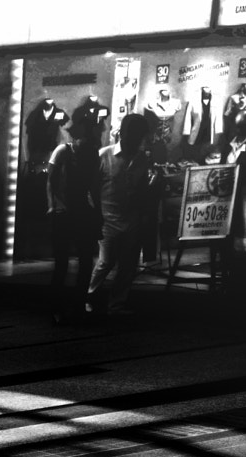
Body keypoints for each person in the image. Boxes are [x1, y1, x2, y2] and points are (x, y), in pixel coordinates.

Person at [87, 112, 155, 316]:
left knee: (128, 265)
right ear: (124, 134)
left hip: (131, 219)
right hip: (107, 219)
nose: (138, 140)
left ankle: (116, 304)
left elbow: (142, 187)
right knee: (105, 262)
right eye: (136, 135)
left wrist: (143, 213)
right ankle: (88, 297)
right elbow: (91, 189)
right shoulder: (104, 155)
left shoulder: (142, 158)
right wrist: (95, 215)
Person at [47, 105, 102, 324]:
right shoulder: (62, 151)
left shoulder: (91, 153)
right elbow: (50, 181)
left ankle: (78, 304)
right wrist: (51, 206)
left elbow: (94, 185)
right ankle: (56, 306)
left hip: (81, 209)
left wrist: (97, 211)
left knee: (85, 261)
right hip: (63, 210)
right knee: (62, 262)